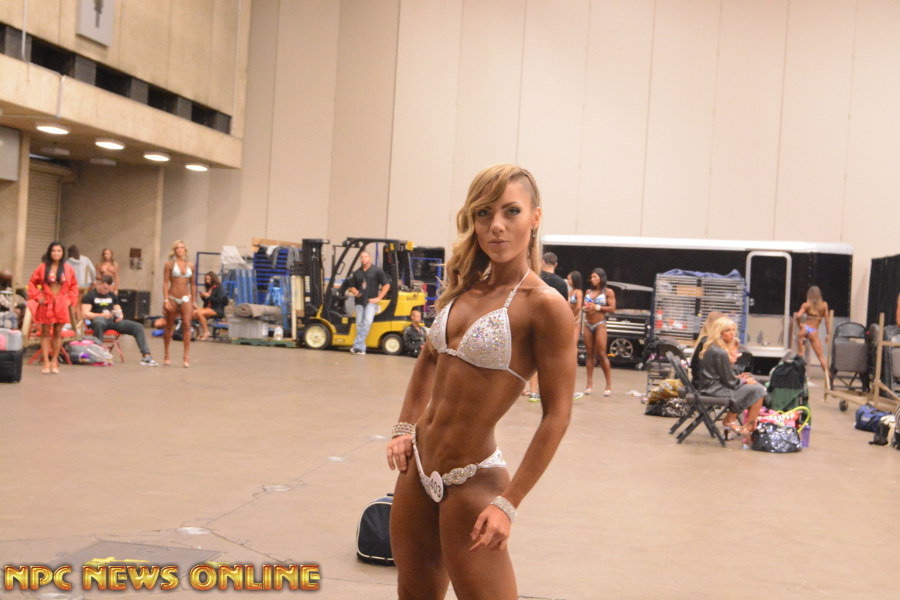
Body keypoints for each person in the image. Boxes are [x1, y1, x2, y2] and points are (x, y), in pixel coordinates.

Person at [386, 164, 575, 600]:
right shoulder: (464, 288)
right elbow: (429, 358)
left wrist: (509, 503)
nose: (497, 226)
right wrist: (403, 426)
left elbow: (557, 415)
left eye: (511, 211)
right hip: (417, 472)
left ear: (535, 217)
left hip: (473, 482)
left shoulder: (545, 305)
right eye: (484, 213)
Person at [697, 317, 766, 440]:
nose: (732, 333)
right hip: (714, 389)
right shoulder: (720, 352)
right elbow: (730, 382)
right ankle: (745, 425)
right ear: (719, 332)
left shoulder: (714, 348)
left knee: (755, 386)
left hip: (712, 386)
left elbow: (722, 376)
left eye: (733, 330)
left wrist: (739, 377)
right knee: (759, 390)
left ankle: (734, 420)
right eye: (727, 330)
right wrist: (744, 380)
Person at [82, 275, 159, 366]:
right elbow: (84, 313)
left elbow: (118, 309)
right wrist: (101, 315)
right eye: (105, 288)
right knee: (99, 321)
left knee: (138, 327)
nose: (106, 291)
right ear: (99, 284)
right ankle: (99, 353)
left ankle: (146, 356)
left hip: (113, 321)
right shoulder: (90, 296)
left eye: (108, 289)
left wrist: (120, 315)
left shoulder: (111, 295)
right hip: (98, 321)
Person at [27, 241, 78, 374]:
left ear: (63, 253)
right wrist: (38, 297)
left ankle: (54, 360)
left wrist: (69, 300)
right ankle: (46, 361)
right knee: (45, 332)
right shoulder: (42, 267)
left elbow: (74, 286)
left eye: (59, 251)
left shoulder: (68, 268)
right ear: (50, 252)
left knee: (57, 333)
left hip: (61, 304)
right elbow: (32, 283)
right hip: (46, 303)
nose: (56, 253)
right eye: (53, 250)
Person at [524, 252, 569, 399]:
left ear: (542, 262)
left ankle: (533, 390)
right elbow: (565, 307)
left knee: (533, 358)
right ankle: (552, 391)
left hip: (534, 322)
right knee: (553, 358)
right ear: (556, 264)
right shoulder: (562, 283)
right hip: (554, 324)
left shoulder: (535, 279)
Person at [346, 249, 389, 355]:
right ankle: (361, 349)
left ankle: (357, 346)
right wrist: (355, 291)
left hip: (371, 301)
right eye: (362, 257)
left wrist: (379, 298)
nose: (363, 259)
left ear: (369, 258)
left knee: (367, 322)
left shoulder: (377, 271)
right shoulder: (357, 272)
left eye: (365, 256)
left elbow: (386, 285)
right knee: (359, 325)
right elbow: (352, 286)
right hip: (359, 301)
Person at [582, 267, 615, 396]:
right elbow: (583, 306)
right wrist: (585, 308)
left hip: (600, 323)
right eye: (591, 277)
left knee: (601, 353)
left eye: (595, 277)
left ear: (601, 278)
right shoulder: (588, 292)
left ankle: (608, 385)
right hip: (588, 323)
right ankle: (589, 384)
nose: (592, 279)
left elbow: (612, 308)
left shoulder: (608, 292)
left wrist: (597, 306)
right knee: (589, 354)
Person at [162, 240, 194, 367]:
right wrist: (165, 300)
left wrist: (194, 301)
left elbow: (193, 284)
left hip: (186, 297)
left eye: (182, 247)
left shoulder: (191, 265)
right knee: (169, 325)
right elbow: (165, 283)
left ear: (185, 250)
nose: (180, 250)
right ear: (174, 250)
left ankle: (186, 356)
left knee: (187, 325)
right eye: (177, 248)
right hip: (172, 297)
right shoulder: (169, 264)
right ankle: (166, 354)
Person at [795, 285, 831, 379]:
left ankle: (799, 377)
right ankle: (828, 378)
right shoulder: (824, 305)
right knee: (820, 357)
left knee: (800, 355)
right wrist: (828, 334)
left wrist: (800, 326)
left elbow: (798, 316)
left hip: (806, 329)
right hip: (813, 331)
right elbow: (827, 321)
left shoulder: (806, 305)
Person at [195, 271, 227, 340]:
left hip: (216, 309)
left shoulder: (219, 288)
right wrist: (203, 297)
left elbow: (219, 300)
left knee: (199, 313)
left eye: (208, 279)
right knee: (194, 313)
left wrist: (209, 296)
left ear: (213, 279)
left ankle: (206, 332)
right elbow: (207, 301)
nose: (207, 281)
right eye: (206, 279)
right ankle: (198, 333)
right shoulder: (209, 288)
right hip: (208, 308)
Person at [566, 271, 584, 347]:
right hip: (568, 318)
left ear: (574, 280)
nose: (568, 281)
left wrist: (574, 316)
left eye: (569, 279)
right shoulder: (570, 291)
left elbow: (579, 306)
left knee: (573, 343)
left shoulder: (578, 292)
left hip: (575, 318)